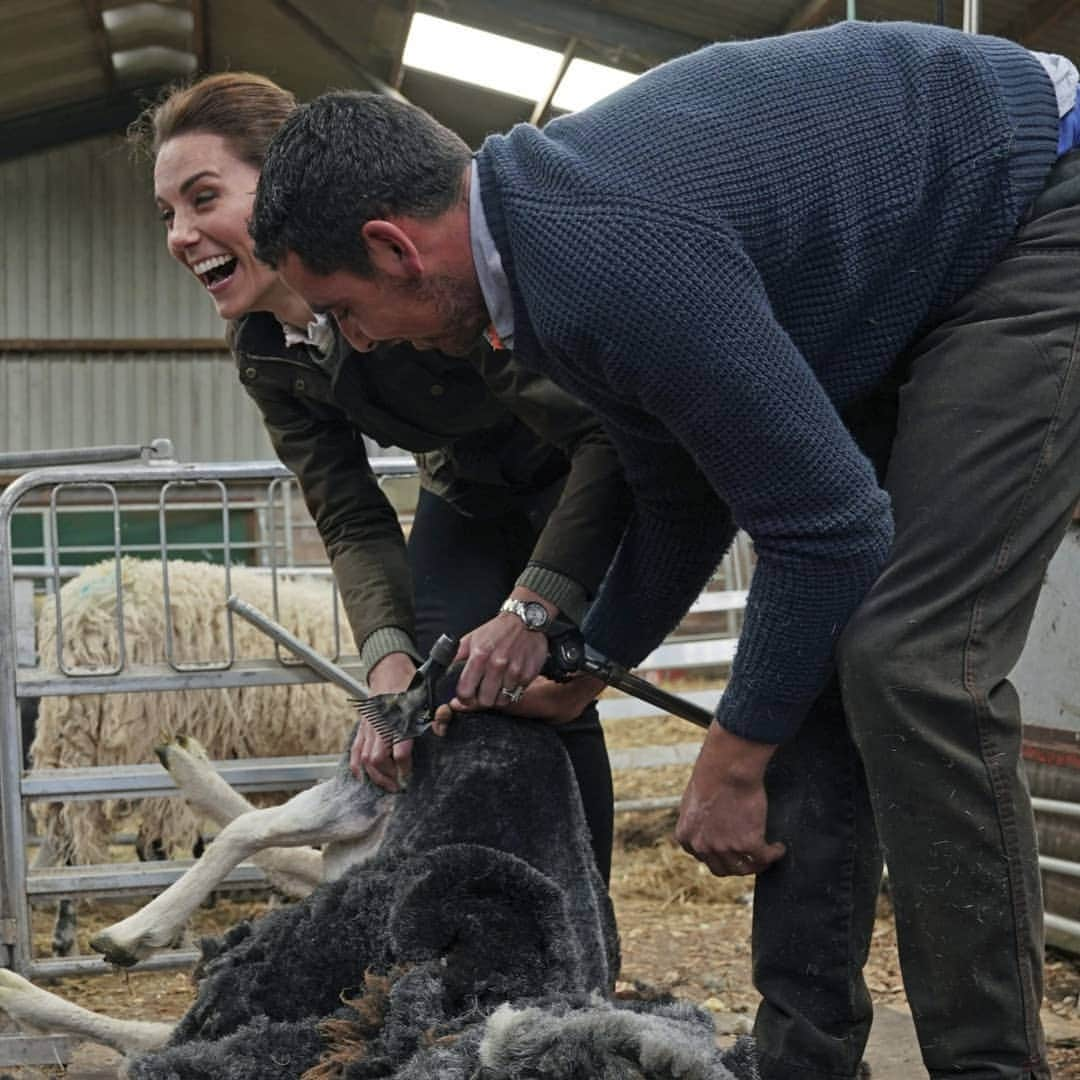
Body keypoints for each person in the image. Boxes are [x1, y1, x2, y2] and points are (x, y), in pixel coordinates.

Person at [247, 21, 1080, 1080]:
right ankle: (804, 1059)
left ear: (395, 247)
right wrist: (588, 663)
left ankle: (989, 1065)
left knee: (914, 661)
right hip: (914, 266)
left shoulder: (595, 250)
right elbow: (679, 492)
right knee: (824, 661)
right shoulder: (540, 270)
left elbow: (827, 528)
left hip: (1033, 202)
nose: (356, 345)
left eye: (344, 312)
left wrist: (731, 757)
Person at [131, 72, 633, 883]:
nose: (180, 235)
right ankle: (480, 934)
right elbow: (350, 514)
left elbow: (596, 437)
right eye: (167, 215)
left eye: (203, 197)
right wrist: (387, 661)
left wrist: (536, 605)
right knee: (439, 704)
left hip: (572, 472)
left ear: (287, 185)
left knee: (542, 688)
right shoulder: (263, 346)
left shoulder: (412, 270)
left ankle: (580, 947)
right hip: (463, 489)